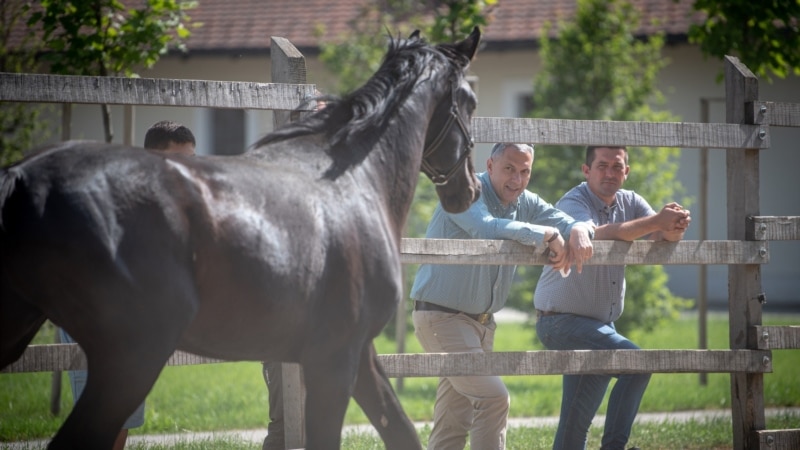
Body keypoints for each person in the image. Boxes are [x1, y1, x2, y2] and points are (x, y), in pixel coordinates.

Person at [410, 142, 595, 450]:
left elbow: (564, 219)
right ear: (490, 165)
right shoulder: (463, 191)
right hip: (442, 319)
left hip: (482, 325)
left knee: (454, 418)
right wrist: (544, 234)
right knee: (493, 398)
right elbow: (486, 228)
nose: (517, 180)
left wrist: (576, 229)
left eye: (525, 172)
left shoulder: (526, 201)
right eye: (509, 169)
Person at [533, 145, 691, 450]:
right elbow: (599, 234)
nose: (609, 173)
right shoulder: (573, 200)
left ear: (626, 171)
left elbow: (658, 235)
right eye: (602, 165)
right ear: (586, 170)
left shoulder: (630, 201)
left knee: (574, 428)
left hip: (600, 327)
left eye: (617, 167)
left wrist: (674, 226)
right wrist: (657, 221)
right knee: (637, 365)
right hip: (560, 323)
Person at [58, 120, 196, 450]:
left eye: (193, 160)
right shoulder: (124, 192)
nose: (189, 170)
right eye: (180, 161)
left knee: (119, 425)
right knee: (103, 424)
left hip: (128, 321)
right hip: (94, 315)